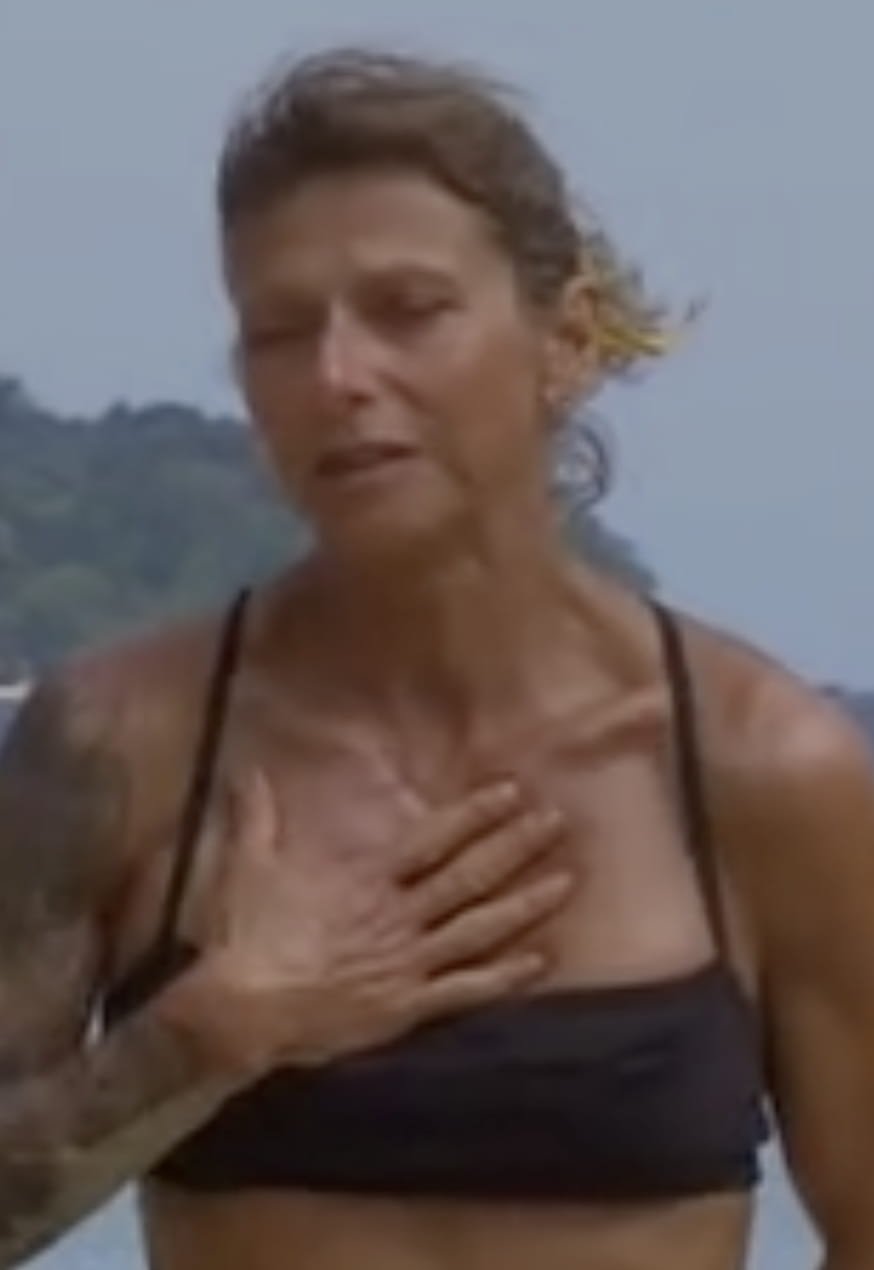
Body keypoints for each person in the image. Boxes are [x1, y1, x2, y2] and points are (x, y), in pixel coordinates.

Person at [2, 46, 874, 1270]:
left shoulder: (760, 768)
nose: (337, 377)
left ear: (565, 339)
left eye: (408, 310)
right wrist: (208, 1033)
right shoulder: (124, 745)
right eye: (279, 331)